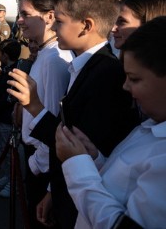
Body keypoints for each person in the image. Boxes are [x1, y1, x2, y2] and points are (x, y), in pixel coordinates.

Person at [7, 0, 140, 228]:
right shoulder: (86, 66)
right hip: (68, 193)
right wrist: (52, 190)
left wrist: (34, 105)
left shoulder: (106, 75)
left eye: (59, 21)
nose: (54, 28)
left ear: (86, 25)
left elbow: (76, 147)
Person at [56, 16, 166, 228]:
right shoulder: (150, 127)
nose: (126, 86)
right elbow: (126, 185)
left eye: (134, 79)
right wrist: (94, 159)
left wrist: (77, 166)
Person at [13, 0, 73, 228]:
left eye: (26, 14)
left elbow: (53, 124)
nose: (19, 21)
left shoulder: (54, 59)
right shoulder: (45, 55)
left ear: (49, 17)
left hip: (43, 164)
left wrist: (36, 165)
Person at [0, 38, 21, 198]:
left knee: (10, 153)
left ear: (5, 55)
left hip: (8, 118)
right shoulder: (8, 69)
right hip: (2, 116)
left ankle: (13, 183)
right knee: (4, 149)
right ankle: (8, 176)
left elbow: (6, 97)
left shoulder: (14, 72)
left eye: (1, 53)